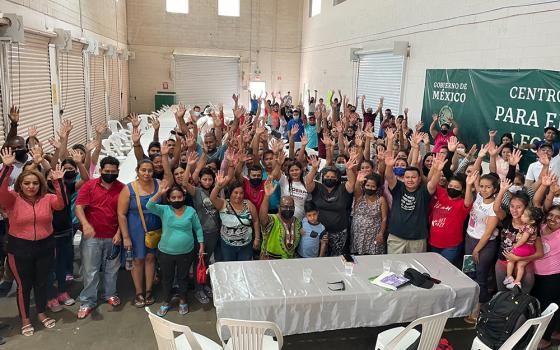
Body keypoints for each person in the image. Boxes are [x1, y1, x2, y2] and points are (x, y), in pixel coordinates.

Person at [0, 148, 65, 336]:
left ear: (41, 184)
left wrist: (58, 181)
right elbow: (1, 189)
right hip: (20, 248)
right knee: (24, 285)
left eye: (35, 183)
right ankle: (26, 319)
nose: (31, 186)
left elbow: (62, 203)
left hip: (44, 246)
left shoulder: (47, 198)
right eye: (27, 183)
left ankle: (41, 313)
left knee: (42, 283)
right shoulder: (12, 199)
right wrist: (7, 167)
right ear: (20, 184)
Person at [75, 156, 125, 319]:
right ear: (101, 171)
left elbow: (123, 214)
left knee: (112, 269)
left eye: (113, 171)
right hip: (92, 238)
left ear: (118, 171)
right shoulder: (89, 186)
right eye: (107, 171)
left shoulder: (122, 189)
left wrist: (119, 233)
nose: (110, 173)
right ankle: (87, 301)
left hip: (113, 236)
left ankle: (110, 294)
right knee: (91, 270)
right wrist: (85, 224)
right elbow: (79, 208)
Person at [146, 181, 204, 317]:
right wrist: (159, 193)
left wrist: (201, 245)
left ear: (183, 198)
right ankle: (166, 301)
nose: (177, 200)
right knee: (167, 278)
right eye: (173, 198)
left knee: (183, 278)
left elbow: (198, 228)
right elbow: (149, 205)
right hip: (166, 252)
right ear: (168, 199)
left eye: (179, 197)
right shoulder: (164, 209)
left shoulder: (190, 211)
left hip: (186, 252)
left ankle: (183, 300)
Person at [117, 160, 161, 308]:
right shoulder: (129, 189)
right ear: (137, 170)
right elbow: (121, 214)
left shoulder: (159, 184)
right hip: (135, 228)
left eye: (149, 170)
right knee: (137, 260)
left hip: (155, 227)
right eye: (143, 170)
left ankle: (149, 290)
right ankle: (138, 292)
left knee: (150, 258)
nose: (147, 173)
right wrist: (126, 236)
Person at [384, 152, 444, 254]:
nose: (410, 180)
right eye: (407, 177)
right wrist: (389, 166)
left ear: (419, 179)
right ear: (404, 178)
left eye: (413, 177)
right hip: (396, 238)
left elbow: (433, 184)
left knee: (415, 269)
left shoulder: (424, 192)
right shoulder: (398, 188)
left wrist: (437, 171)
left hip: (417, 240)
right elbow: (389, 177)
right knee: (394, 267)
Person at [493, 180, 544, 294]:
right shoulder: (506, 219)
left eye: (519, 207)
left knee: (521, 298)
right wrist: (502, 190)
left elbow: (540, 253)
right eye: (512, 206)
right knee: (502, 295)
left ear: (526, 208)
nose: (514, 210)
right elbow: (496, 209)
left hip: (524, 267)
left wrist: (517, 259)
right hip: (502, 264)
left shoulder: (532, 227)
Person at [182, 155, 221, 304]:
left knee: (206, 261)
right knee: (199, 261)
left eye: (210, 179)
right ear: (200, 180)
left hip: (214, 232)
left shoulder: (217, 191)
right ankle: (198, 289)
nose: (207, 182)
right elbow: (185, 183)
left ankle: (204, 284)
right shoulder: (197, 191)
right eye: (204, 179)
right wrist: (189, 166)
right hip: (200, 233)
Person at [463, 173, 500, 324]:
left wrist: (477, 250)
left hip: (484, 245)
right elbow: (466, 203)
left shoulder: (494, 207)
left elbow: (488, 233)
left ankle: (479, 309)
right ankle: (471, 304)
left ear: (495, 189)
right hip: (470, 239)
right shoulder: (478, 197)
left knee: (481, 277)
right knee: (469, 273)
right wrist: (469, 185)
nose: (484, 190)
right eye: (482, 186)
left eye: (488, 187)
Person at [305, 154, 357, 256]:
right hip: (318, 230)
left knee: (336, 259)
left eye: (333, 177)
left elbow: (351, 183)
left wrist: (348, 169)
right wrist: (314, 168)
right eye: (327, 177)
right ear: (323, 177)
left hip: (339, 232)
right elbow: (308, 182)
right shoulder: (317, 187)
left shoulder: (342, 188)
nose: (330, 178)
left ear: (337, 179)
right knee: (319, 258)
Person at [210, 174, 260, 261]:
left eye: (241, 193)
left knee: (244, 268)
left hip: (246, 245)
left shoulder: (248, 204)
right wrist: (218, 186)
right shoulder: (223, 204)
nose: (238, 196)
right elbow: (212, 198)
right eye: (236, 192)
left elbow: (255, 221)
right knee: (230, 268)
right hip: (227, 245)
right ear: (231, 192)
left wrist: (257, 238)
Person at [428, 172, 475, 264]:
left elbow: (468, 202)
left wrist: (469, 185)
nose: (452, 188)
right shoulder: (441, 194)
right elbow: (431, 184)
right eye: (450, 185)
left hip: (451, 246)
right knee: (433, 267)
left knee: (445, 269)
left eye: (457, 187)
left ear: (462, 190)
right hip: (433, 241)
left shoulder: (462, 203)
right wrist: (437, 169)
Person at [532, 206, 560, 349]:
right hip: (535, 274)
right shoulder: (541, 227)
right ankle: (553, 331)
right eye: (551, 215)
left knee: (549, 308)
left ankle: (546, 338)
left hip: (552, 278)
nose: (552, 219)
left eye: (558, 217)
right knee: (539, 305)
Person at [259, 179, 302, 259]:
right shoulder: (272, 220)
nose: (288, 209)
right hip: (270, 262)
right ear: (279, 208)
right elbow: (262, 219)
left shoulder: (298, 222)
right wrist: (267, 196)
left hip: (289, 263)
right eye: (285, 207)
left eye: (291, 207)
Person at [503, 207, 542, 289]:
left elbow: (523, 239)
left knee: (510, 259)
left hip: (524, 247)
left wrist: (515, 246)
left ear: (532, 221)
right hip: (531, 249)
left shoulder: (528, 227)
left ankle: (509, 277)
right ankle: (517, 282)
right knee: (520, 265)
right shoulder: (534, 227)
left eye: (524, 215)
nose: (522, 216)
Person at [351, 173, 388, 255]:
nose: (370, 188)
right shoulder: (359, 197)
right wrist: (358, 181)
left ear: (377, 187)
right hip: (358, 235)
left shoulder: (381, 200)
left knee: (373, 260)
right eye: (367, 185)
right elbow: (357, 189)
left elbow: (384, 218)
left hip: (374, 236)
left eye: (373, 186)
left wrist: (381, 233)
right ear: (364, 186)